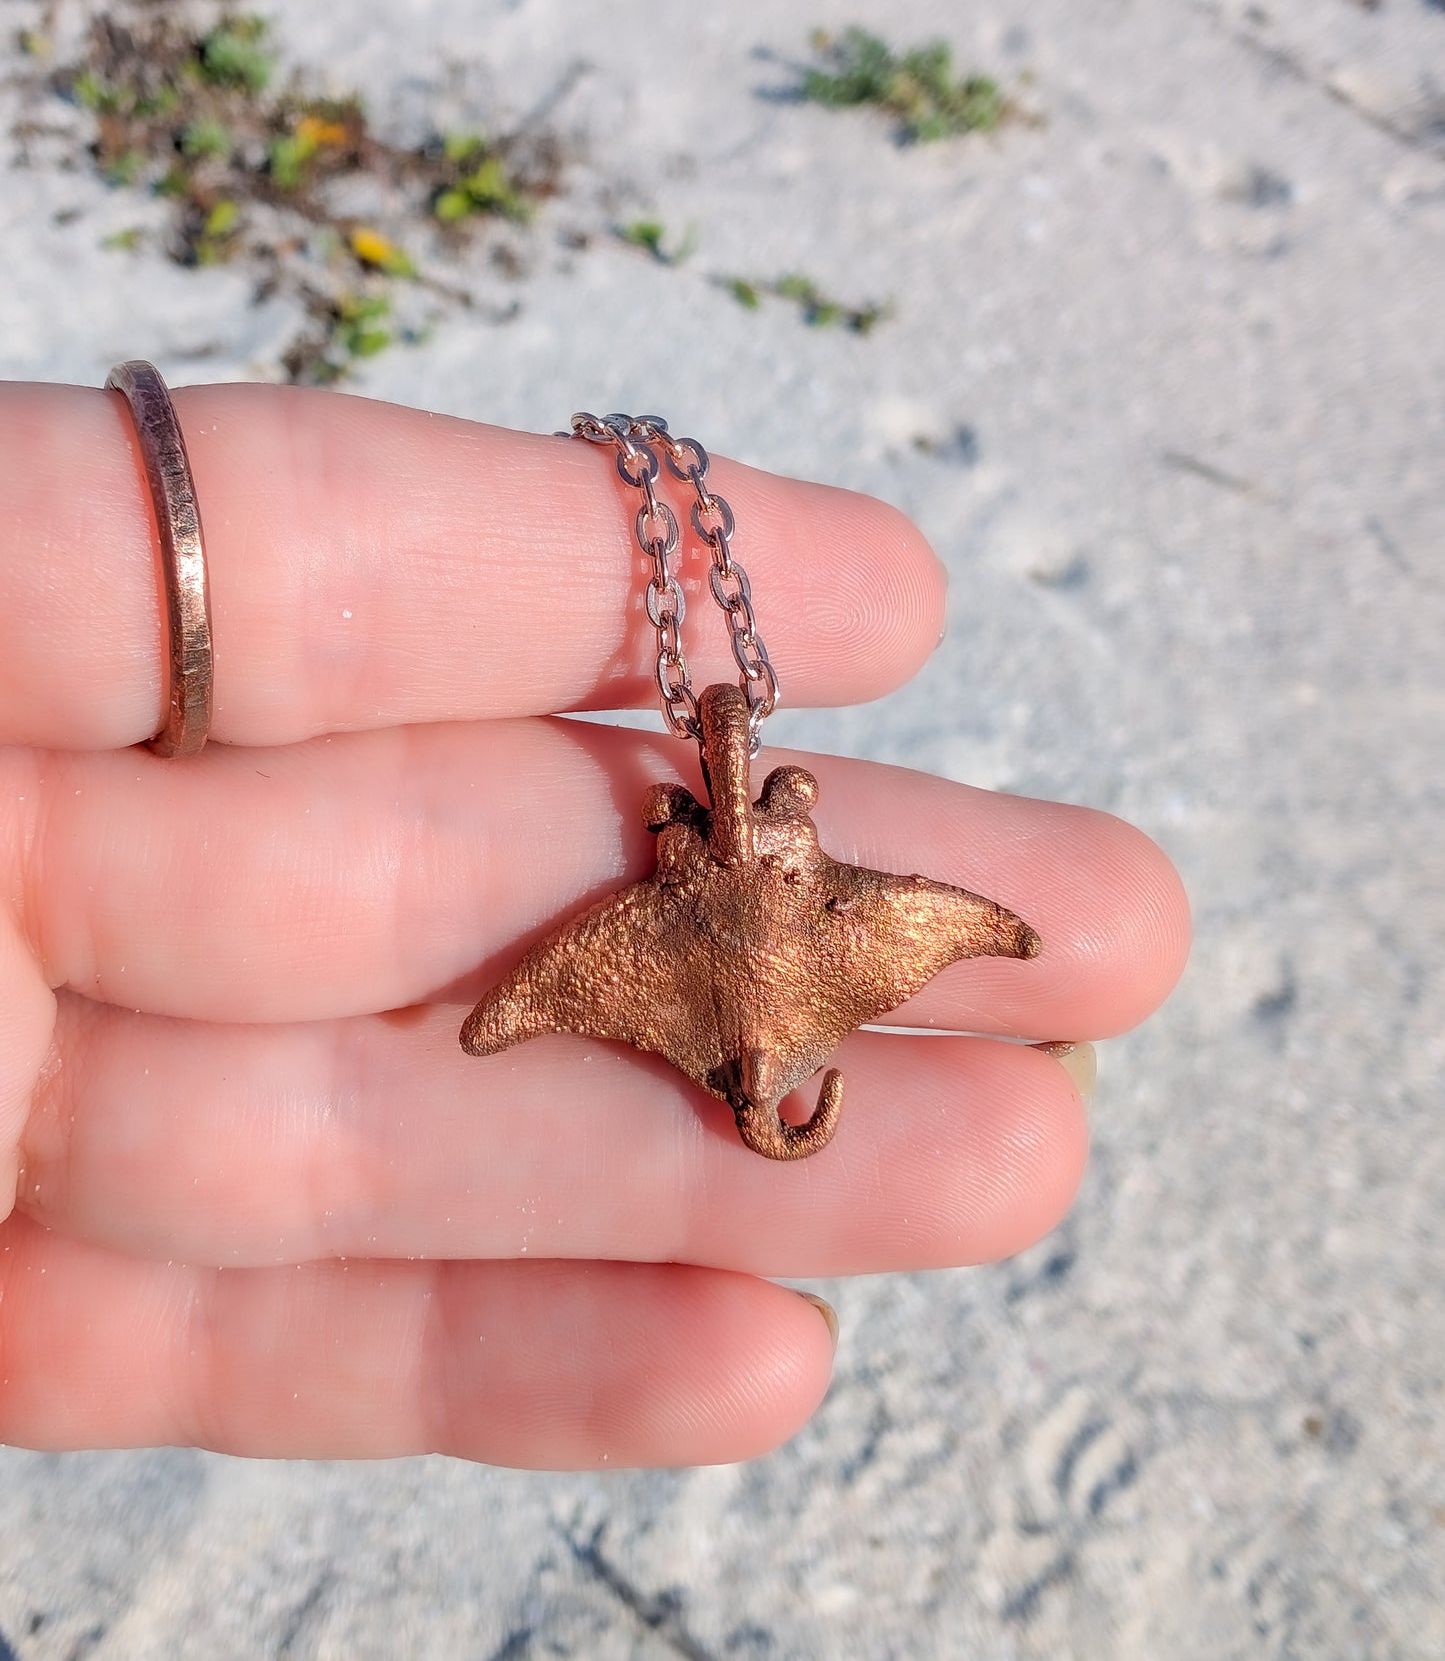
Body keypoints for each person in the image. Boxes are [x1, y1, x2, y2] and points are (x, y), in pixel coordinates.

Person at [0, 378, 1189, 1468]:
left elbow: (958, 922)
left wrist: (974, 927)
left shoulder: (768, 894)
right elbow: (532, 996)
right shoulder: (741, 894)